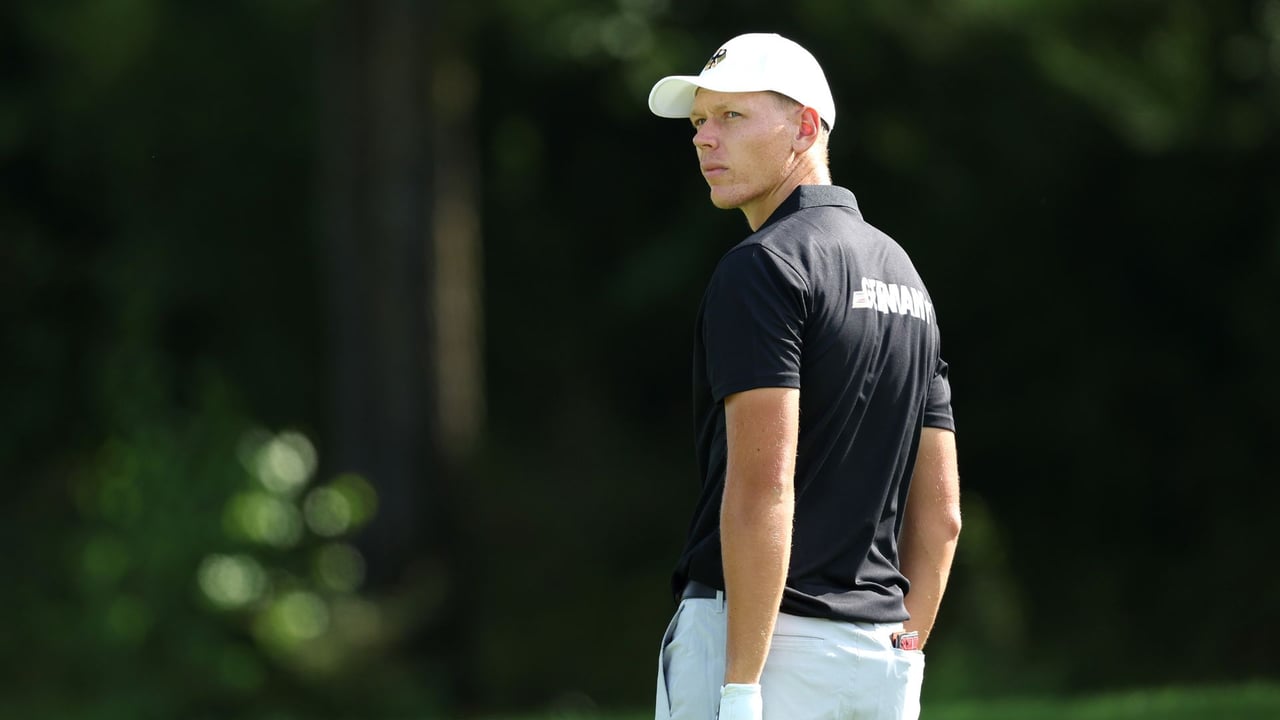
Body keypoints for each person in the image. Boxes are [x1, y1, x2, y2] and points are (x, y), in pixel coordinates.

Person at [646, 33, 962, 720]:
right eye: (699, 121)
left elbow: (763, 485)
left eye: (732, 116)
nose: (705, 140)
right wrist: (906, 653)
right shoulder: (906, 276)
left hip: (762, 650)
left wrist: (739, 688)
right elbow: (941, 518)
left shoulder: (763, 267)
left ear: (806, 127)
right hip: (879, 658)